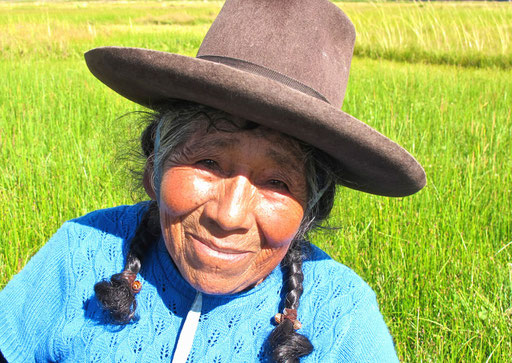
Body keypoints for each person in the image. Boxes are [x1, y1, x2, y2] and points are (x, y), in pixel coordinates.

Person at [0, 0, 425, 362]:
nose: (229, 215)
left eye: (277, 183)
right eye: (208, 161)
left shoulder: (344, 318)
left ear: (310, 210)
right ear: (155, 169)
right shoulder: (79, 254)